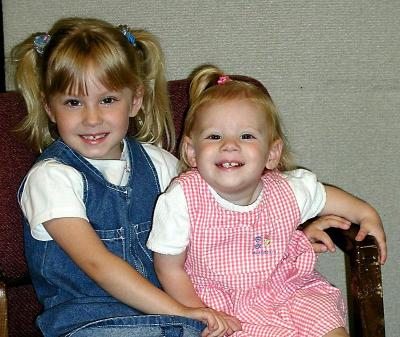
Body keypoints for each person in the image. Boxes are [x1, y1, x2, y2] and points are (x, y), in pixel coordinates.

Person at [14, 18, 242, 337]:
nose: (92, 118)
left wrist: (290, 231)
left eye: (107, 100)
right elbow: (98, 265)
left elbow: (225, 209)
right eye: (73, 102)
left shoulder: (158, 163)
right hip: (89, 324)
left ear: (135, 100)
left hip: (169, 318)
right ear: (49, 108)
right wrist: (180, 310)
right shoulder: (52, 178)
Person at [147, 65, 387, 337]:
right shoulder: (181, 199)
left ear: (272, 154)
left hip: (288, 290)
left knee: (325, 321)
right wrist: (199, 311)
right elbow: (169, 268)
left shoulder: (286, 190)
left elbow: (325, 196)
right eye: (214, 136)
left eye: (246, 136)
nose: (229, 145)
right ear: (192, 151)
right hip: (222, 305)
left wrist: (366, 214)